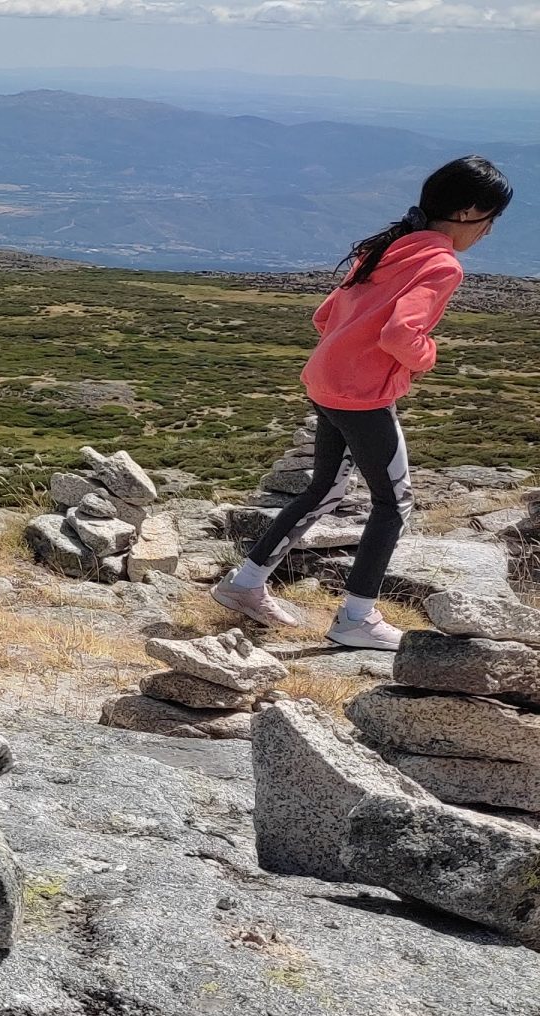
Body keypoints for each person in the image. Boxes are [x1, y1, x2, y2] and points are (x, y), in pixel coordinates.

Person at [211, 156, 512, 650]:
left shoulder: (386, 247)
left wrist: (351, 352)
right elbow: (400, 335)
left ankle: (244, 584)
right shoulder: (441, 264)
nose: (489, 231)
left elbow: (324, 316)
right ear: (467, 212)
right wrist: (425, 357)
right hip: (363, 398)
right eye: (490, 218)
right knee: (394, 503)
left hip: (325, 382)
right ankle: (356, 617)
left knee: (324, 490)